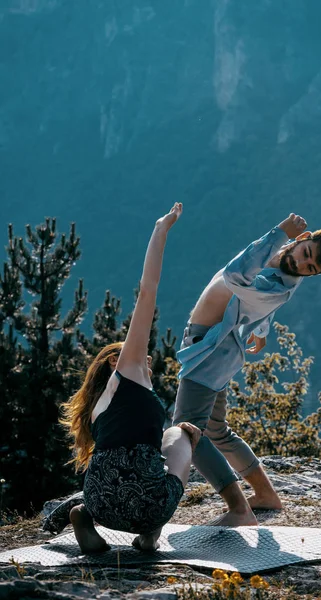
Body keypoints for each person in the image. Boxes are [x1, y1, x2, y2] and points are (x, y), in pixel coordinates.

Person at [172, 213, 321, 526]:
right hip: (218, 348)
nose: (303, 266)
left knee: (187, 433)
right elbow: (258, 302)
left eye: (312, 269)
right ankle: (266, 496)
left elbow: (236, 276)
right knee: (216, 431)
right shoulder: (277, 266)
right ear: (303, 239)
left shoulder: (277, 281)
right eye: (306, 255)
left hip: (211, 352)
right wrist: (261, 331)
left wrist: (280, 232)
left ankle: (239, 508)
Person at [58, 202, 201, 553]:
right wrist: (160, 231)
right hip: (145, 504)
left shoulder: (95, 410)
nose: (147, 359)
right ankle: (151, 533)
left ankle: (86, 518)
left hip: (100, 501)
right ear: (116, 362)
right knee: (181, 433)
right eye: (142, 356)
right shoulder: (128, 372)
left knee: (153, 448)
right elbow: (147, 293)